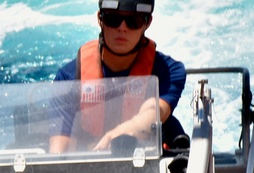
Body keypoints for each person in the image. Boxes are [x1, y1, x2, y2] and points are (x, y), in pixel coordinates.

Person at [49, 0, 187, 153]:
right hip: (86, 166)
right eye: (113, 19)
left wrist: (115, 135)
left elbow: (156, 111)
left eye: (133, 21)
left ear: (147, 23)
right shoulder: (67, 78)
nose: (122, 28)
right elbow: (59, 149)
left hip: (147, 164)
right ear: (100, 19)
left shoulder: (170, 71)